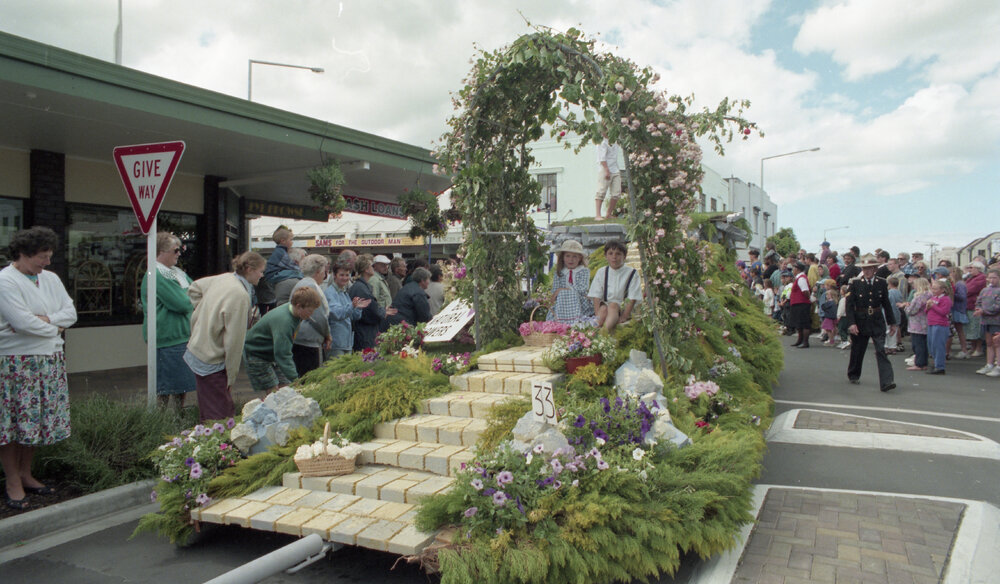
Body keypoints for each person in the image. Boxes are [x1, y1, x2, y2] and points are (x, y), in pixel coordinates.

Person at [0, 226, 77, 510]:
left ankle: (25, 473)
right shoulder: (5, 281)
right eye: (41, 258)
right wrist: (53, 325)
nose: (46, 263)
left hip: (47, 359)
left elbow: (71, 313)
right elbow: (21, 322)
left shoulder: (51, 279)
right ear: (23, 253)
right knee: (12, 423)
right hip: (16, 362)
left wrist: (45, 322)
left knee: (34, 422)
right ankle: (12, 480)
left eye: (48, 257)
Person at [185, 251, 265, 422]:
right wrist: (231, 376)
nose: (262, 275)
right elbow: (234, 342)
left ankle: (208, 441)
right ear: (249, 269)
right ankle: (219, 446)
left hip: (199, 349)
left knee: (209, 407)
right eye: (260, 270)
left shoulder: (225, 278)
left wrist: (203, 316)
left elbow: (194, 288)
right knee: (219, 414)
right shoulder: (240, 295)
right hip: (212, 359)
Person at [140, 232, 196, 409]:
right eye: (176, 250)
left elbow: (197, 292)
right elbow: (182, 303)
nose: (179, 253)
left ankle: (178, 420)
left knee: (182, 386)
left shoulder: (176, 273)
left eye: (181, 249)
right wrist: (188, 298)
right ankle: (160, 423)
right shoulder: (156, 274)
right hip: (166, 338)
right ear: (160, 252)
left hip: (181, 336)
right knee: (164, 388)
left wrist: (189, 298)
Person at [243, 287, 322, 393]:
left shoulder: (296, 314)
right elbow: (282, 354)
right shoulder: (285, 322)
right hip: (256, 353)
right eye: (310, 311)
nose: (311, 314)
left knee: (286, 387)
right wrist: (296, 379)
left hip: (271, 354)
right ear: (299, 306)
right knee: (273, 390)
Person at [844, 253, 898, 391]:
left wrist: (892, 322)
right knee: (858, 349)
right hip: (860, 320)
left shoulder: (881, 283)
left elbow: (886, 303)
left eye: (870, 268)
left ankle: (887, 381)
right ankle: (854, 374)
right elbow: (849, 305)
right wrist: (851, 323)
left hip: (876, 320)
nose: (867, 271)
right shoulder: (855, 283)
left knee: (881, 350)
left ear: (875, 269)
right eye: (865, 268)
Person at [290, 255, 331, 377]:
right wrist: (327, 334)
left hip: (301, 338)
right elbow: (318, 317)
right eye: (324, 272)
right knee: (311, 377)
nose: (325, 276)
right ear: (318, 272)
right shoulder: (311, 286)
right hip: (309, 341)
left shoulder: (302, 283)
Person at [588, 240, 641, 332]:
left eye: (618, 254)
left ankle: (603, 332)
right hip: (606, 307)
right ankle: (592, 330)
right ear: (605, 256)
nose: (614, 257)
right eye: (610, 253)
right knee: (604, 308)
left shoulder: (632, 273)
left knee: (613, 305)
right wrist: (597, 315)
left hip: (624, 308)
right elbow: (596, 296)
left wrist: (624, 316)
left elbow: (632, 298)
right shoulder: (602, 272)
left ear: (624, 256)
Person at [349, 254, 396, 350]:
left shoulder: (362, 286)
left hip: (366, 332)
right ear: (366, 269)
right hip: (365, 333)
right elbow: (369, 310)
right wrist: (382, 312)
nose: (373, 268)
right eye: (371, 266)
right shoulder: (361, 288)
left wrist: (382, 311)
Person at [325, 262, 370, 358]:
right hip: (336, 343)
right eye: (341, 275)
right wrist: (352, 306)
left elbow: (354, 317)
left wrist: (358, 308)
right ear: (334, 276)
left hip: (347, 342)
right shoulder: (330, 293)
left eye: (347, 275)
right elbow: (337, 314)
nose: (345, 278)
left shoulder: (344, 293)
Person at [547, 240, 594, 323]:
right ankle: (561, 321)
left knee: (568, 294)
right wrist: (556, 294)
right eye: (568, 256)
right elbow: (555, 290)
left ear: (579, 258)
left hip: (580, 302)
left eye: (574, 256)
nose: (571, 260)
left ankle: (575, 321)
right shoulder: (559, 273)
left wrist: (562, 290)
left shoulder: (583, 271)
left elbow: (582, 289)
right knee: (562, 295)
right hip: (562, 304)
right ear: (563, 258)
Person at [263, 227, 303, 303]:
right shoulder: (281, 253)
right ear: (283, 241)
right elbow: (291, 266)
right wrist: (301, 272)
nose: (292, 242)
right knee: (295, 273)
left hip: (272, 275)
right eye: (290, 240)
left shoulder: (279, 251)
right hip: (273, 275)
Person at [901, 277, 932, 371]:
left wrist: (906, 307)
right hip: (925, 321)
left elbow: (912, 310)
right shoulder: (929, 295)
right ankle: (923, 363)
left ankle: (919, 364)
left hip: (916, 323)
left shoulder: (919, 296)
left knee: (917, 344)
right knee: (923, 344)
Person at [974, 269, 1000, 376]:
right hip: (985, 321)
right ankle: (989, 364)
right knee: (989, 343)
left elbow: (997, 306)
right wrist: (978, 309)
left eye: (994, 277)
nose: (991, 280)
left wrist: (984, 311)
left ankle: (998, 366)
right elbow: (978, 302)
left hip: (997, 321)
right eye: (990, 277)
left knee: (997, 343)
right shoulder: (984, 290)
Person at [925, 279, 952, 375]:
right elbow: (927, 311)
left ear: (943, 290)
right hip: (931, 323)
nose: (933, 290)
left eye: (935, 289)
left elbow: (944, 312)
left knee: (939, 346)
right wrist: (928, 307)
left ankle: (940, 366)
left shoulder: (946, 299)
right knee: (931, 345)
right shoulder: (933, 298)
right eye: (932, 288)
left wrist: (933, 306)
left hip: (940, 324)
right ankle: (935, 363)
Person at [595, 133, 621, 220]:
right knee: (601, 191)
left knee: (616, 193)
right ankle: (598, 215)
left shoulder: (615, 140)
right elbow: (601, 158)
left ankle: (608, 214)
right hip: (605, 168)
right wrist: (606, 170)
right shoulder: (602, 142)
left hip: (615, 168)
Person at [964, 261, 987, 358]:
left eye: (972, 268)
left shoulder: (981, 279)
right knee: (970, 329)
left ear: (978, 269)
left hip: (975, 307)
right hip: (969, 306)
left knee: (976, 329)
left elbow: (968, 290)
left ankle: (978, 348)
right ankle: (973, 348)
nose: (970, 270)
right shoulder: (971, 278)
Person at [947, 267, 969, 360]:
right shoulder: (955, 283)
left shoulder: (960, 284)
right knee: (955, 330)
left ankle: (964, 350)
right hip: (955, 309)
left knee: (959, 330)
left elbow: (962, 297)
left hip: (958, 309)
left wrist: (952, 293)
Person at [788, 261, 812, 348]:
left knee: (804, 323)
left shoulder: (801, 278)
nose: (792, 270)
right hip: (797, 303)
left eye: (794, 268)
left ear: (797, 269)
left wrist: (808, 298)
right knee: (799, 324)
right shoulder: (798, 278)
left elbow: (805, 291)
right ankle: (800, 340)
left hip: (802, 303)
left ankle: (805, 342)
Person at [885, 276, 903, 354]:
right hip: (897, 313)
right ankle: (893, 346)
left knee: (887, 330)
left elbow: (889, 304)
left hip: (890, 313)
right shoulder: (899, 292)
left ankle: (887, 346)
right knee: (894, 330)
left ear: (889, 284)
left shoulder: (890, 292)